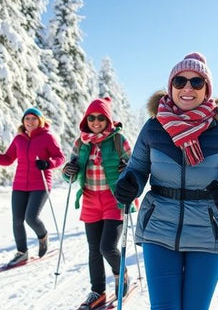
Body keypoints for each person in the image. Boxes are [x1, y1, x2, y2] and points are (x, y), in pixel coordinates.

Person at [113, 52, 218, 309]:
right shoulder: (153, 127)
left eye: (196, 82)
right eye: (180, 81)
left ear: (206, 89)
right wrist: (129, 183)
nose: (187, 87)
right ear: (171, 87)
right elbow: (136, 169)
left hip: (207, 234)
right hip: (159, 229)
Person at [61, 98, 133, 309]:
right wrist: (68, 171)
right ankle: (97, 291)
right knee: (94, 249)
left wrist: (126, 169)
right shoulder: (81, 142)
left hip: (114, 200)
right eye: (91, 118)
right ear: (86, 120)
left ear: (108, 120)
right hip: (90, 200)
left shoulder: (118, 139)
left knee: (107, 247)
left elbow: (135, 166)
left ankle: (122, 275)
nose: (96, 121)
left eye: (101, 118)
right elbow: (68, 176)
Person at [0, 107, 65, 266]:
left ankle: (42, 236)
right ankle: (22, 253)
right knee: (17, 220)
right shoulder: (18, 139)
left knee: (31, 218)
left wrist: (48, 163)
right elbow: (8, 159)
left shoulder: (47, 137)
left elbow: (60, 157)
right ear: (23, 121)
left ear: (40, 121)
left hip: (40, 184)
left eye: (34, 119)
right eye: (27, 119)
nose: (30, 122)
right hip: (20, 185)